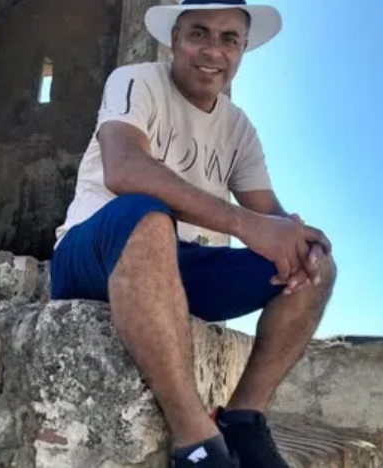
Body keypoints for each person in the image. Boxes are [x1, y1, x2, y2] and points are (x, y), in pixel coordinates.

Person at [51, 1, 337, 467]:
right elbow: (123, 168)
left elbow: (269, 213)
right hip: (94, 249)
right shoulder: (135, 80)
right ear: (175, 40)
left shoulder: (238, 127)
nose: (213, 50)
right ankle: (196, 440)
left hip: (177, 264)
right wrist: (245, 225)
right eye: (199, 33)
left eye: (229, 39)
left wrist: (299, 237)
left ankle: (242, 420)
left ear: (242, 50)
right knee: (146, 214)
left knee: (316, 267)